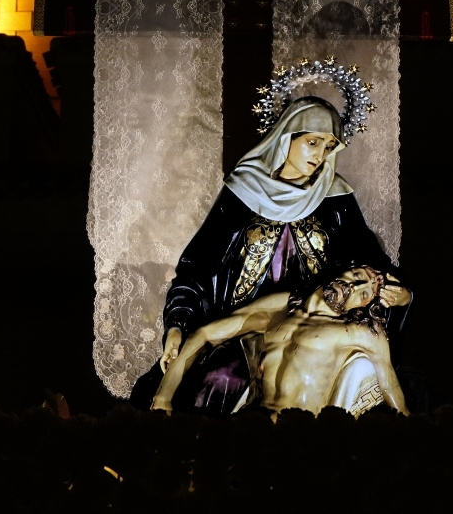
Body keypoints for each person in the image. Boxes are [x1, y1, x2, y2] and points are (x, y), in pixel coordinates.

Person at [129, 96, 411, 414]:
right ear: (286, 136)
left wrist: (399, 294)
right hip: (247, 320)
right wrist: (178, 323)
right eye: (313, 142)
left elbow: (370, 264)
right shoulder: (244, 190)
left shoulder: (335, 197)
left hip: (311, 317)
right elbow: (198, 266)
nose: (320, 155)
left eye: (329, 147)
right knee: (221, 378)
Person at [152, 266, 408, 417]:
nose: (355, 286)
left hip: (297, 439)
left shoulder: (359, 332)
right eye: (358, 275)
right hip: (252, 424)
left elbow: (395, 400)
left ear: (363, 306)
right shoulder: (280, 310)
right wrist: (163, 398)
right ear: (345, 269)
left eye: (364, 293)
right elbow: (205, 334)